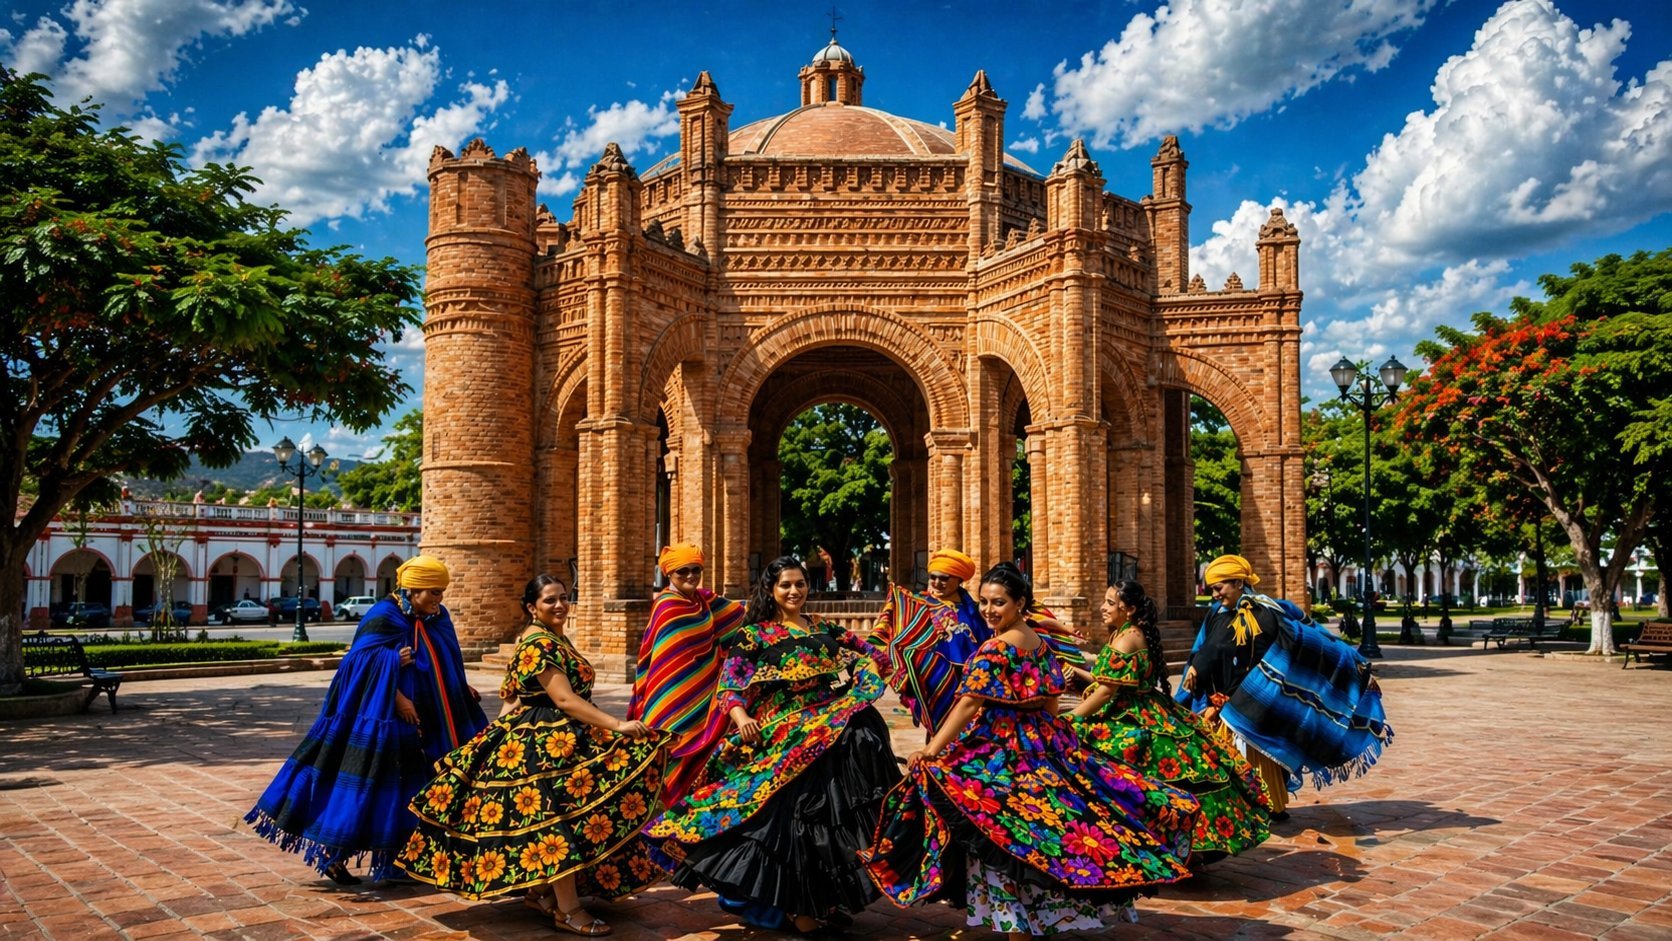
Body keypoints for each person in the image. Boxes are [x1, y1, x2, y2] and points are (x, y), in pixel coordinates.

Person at [862, 563, 1199, 939]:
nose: (989, 610)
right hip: (1044, 744)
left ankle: (1018, 929)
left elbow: (970, 703)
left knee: (1004, 836)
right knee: (1043, 832)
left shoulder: (995, 648)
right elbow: (1051, 704)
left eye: (999, 603)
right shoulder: (1039, 643)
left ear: (1020, 602)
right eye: (985, 602)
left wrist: (931, 751)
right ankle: (1042, 920)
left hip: (1000, 749)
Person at [398, 575, 667, 936]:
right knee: (558, 823)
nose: (559, 605)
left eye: (563, 598)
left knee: (569, 816)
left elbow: (511, 697)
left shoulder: (552, 638)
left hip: (561, 739)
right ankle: (568, 910)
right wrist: (617, 725)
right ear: (531, 607)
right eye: (549, 600)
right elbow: (564, 699)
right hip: (546, 746)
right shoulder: (538, 643)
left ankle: (541, 892)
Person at [645, 555, 901, 935]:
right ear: (771, 590)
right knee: (791, 827)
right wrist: (741, 717)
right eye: (786, 585)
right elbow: (730, 684)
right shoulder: (755, 635)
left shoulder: (823, 627)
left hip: (829, 736)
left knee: (830, 827)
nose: (794, 591)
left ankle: (822, 904)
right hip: (784, 742)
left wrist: (860, 682)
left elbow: (875, 655)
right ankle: (801, 914)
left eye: (800, 584)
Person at [246, 554, 488, 884]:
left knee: (412, 792)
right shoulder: (384, 616)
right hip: (386, 721)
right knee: (374, 789)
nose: (439, 599)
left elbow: (442, 658)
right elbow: (355, 665)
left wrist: (459, 685)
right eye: (433, 592)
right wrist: (397, 689)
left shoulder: (436, 617)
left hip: (431, 720)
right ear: (412, 589)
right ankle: (335, 854)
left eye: (441, 592)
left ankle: (397, 863)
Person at [1069, 580, 1271, 864]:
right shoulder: (1123, 633)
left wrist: (1069, 719)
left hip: (1131, 717)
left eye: (1110, 603)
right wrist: (1075, 671)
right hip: (1143, 708)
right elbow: (1108, 681)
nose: (1103, 607)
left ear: (1129, 610)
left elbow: (1105, 691)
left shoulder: (1127, 638)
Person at [1177, 555, 1392, 819]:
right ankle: (1237, 812)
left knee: (1256, 760)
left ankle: (1267, 808)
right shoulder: (1216, 615)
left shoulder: (1266, 612)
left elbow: (1317, 640)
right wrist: (1197, 667)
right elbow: (1207, 647)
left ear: (1238, 582)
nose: (1215, 595)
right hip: (1220, 704)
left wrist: (1358, 668)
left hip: (1257, 702)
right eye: (1212, 589)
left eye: (1219, 588)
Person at [626, 544, 746, 805]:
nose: (691, 575)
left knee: (702, 764)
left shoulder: (703, 600)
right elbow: (664, 659)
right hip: (671, 696)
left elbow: (742, 616)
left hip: (706, 695)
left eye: (696, 570)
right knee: (672, 759)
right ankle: (664, 825)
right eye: (683, 571)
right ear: (669, 574)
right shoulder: (667, 606)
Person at [868, 548, 992, 734]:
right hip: (933, 684)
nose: (936, 583)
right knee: (939, 734)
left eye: (944, 578)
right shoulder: (917, 605)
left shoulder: (975, 611)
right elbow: (892, 629)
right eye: (933, 577)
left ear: (959, 579)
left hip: (969, 683)